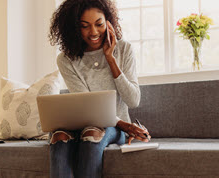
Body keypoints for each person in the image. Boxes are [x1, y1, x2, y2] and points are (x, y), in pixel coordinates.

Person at [48, 0, 151, 177]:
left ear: (108, 22)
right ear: (74, 28)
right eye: (85, 26)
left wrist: (111, 59)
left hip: (112, 129)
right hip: (88, 124)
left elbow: (133, 100)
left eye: (99, 24)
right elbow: (88, 103)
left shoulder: (124, 49)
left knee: (91, 133)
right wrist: (125, 125)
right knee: (59, 136)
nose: (94, 32)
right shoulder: (66, 59)